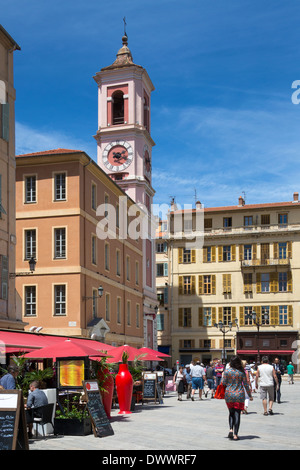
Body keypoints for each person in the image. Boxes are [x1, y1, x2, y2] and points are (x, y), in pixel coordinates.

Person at [221, 355, 253, 441]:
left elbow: (223, 383)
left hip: (229, 395)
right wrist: (250, 395)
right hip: (239, 395)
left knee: (231, 413)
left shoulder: (227, 371)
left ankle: (231, 429)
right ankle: (235, 434)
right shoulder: (241, 372)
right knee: (237, 414)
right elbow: (246, 385)